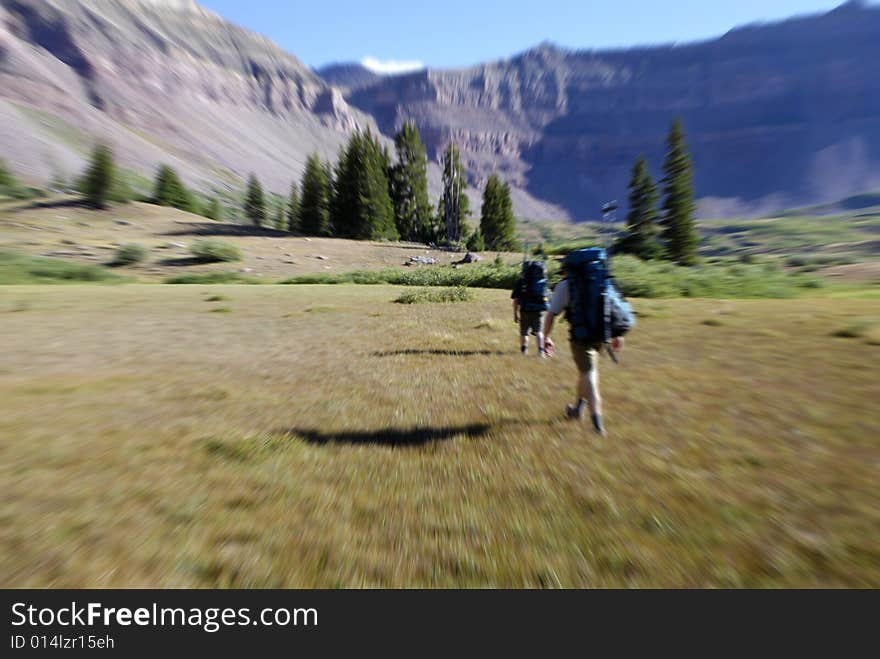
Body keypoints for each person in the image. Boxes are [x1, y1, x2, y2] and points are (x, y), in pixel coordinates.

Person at [543, 265, 623, 436]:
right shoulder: (602, 281)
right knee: (585, 372)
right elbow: (614, 309)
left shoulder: (565, 285)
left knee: (589, 375)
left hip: (580, 337)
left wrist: (546, 337)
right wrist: (618, 335)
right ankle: (577, 408)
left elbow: (551, 314)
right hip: (601, 336)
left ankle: (597, 425)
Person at [511, 262, 548, 357]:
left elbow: (516, 300)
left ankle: (524, 351)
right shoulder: (542, 281)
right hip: (539, 311)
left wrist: (515, 314)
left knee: (524, 332)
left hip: (525, 310)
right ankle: (541, 352)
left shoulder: (521, 282)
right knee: (539, 331)